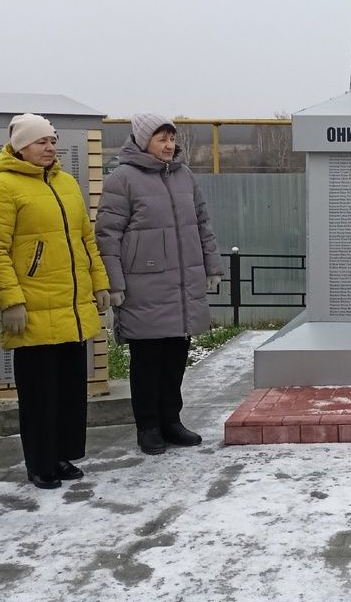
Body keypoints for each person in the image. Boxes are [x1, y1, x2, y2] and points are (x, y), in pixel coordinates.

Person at [0, 113, 111, 490]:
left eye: (52, 141)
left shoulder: (66, 183)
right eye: (41, 142)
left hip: (71, 306)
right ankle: (40, 462)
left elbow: (86, 239)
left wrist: (99, 283)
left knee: (69, 390)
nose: (50, 147)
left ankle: (62, 455)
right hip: (33, 308)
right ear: (20, 146)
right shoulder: (0, 187)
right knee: (39, 395)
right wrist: (11, 301)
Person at [95, 113, 223, 454]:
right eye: (160, 139)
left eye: (171, 139)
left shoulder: (184, 176)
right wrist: (114, 283)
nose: (168, 146)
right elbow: (108, 235)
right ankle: (148, 426)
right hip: (143, 285)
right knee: (148, 360)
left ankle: (171, 420)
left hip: (181, 284)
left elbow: (202, 223)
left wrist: (212, 265)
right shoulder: (123, 179)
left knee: (175, 357)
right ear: (142, 141)